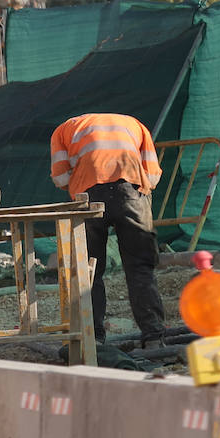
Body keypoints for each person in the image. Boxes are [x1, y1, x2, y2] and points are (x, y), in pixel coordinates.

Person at [50, 112, 167, 347]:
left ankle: (93, 339)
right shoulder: (136, 124)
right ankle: (154, 337)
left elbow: (61, 178)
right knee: (140, 268)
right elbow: (152, 176)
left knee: (89, 270)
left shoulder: (63, 130)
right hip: (132, 191)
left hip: (88, 195)